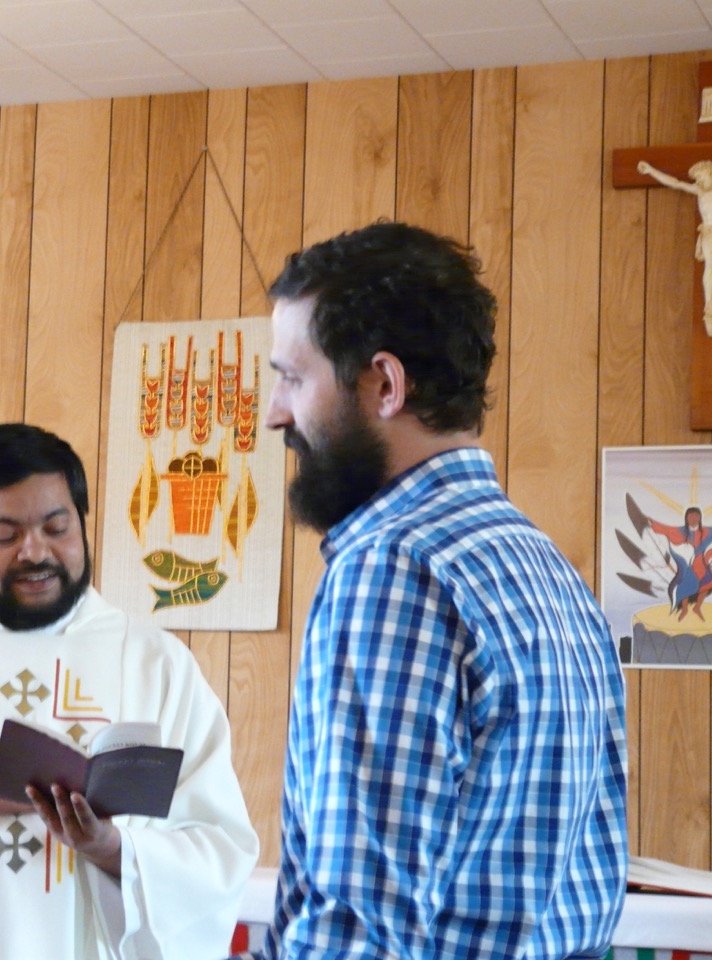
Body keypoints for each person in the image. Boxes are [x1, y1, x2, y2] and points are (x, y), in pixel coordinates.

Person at [236, 221, 628, 959]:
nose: (275, 412)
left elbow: (359, 932)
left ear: (385, 385)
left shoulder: (392, 569)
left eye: (293, 377)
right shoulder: (545, 566)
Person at [0, 423, 258, 960]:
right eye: (5, 536)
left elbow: (218, 849)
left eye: (57, 528)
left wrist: (111, 848)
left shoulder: (156, 665)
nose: (36, 553)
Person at [637, 159, 712, 334]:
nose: (699, 181)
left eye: (702, 177)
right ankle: (710, 307)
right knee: (710, 269)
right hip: (709, 234)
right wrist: (650, 171)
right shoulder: (699, 191)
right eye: (697, 179)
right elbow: (675, 183)